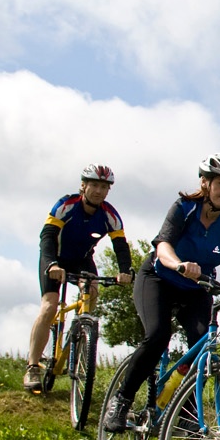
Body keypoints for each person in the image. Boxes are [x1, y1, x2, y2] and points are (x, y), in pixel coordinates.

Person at [101, 154, 220, 432]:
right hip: (158, 278)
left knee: (202, 346)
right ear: (205, 182)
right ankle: (121, 401)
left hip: (197, 288)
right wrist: (179, 264)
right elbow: (163, 247)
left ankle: (184, 412)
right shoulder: (184, 208)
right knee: (158, 335)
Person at [24, 164, 135, 392]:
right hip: (55, 257)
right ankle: (33, 366)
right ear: (83, 186)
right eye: (94, 185)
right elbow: (47, 236)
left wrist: (125, 271)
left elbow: (120, 246)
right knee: (49, 306)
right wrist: (52, 264)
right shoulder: (66, 205)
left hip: (82, 260)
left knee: (92, 289)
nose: (99, 191)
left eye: (104, 187)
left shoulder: (110, 215)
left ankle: (81, 331)